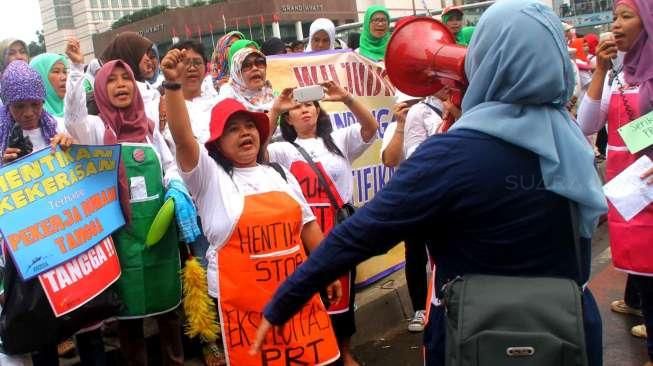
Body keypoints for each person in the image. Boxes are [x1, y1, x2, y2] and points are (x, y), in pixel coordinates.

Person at [252, 2, 608, 366]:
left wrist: (285, 299)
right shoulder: (571, 142)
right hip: (568, 334)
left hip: (477, 337)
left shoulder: (453, 153)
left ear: (486, 59)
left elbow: (365, 231)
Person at [160, 47, 341, 365]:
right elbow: (184, 138)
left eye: (249, 126)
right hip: (243, 313)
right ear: (217, 142)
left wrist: (329, 270)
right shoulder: (208, 178)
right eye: (233, 128)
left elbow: (308, 225)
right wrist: (173, 87)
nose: (244, 132)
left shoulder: (279, 173)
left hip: (296, 303)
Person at [65, 46, 190, 364]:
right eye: (113, 80)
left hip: (160, 236)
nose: (121, 84)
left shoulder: (149, 129)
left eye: (127, 78)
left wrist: (174, 185)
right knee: (130, 321)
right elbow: (73, 119)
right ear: (101, 88)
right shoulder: (95, 129)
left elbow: (169, 164)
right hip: (121, 239)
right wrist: (77, 70)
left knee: (170, 314)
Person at [267, 81, 378, 366]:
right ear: (287, 119)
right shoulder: (283, 150)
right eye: (296, 107)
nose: (304, 110)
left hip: (340, 232)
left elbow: (370, 128)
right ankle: (319, 351)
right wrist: (274, 108)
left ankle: (344, 350)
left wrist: (346, 98)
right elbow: (259, 152)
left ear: (318, 110)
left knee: (344, 294)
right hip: (304, 234)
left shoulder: (340, 140)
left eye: (309, 105)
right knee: (311, 294)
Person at [577, 0, 653, 363]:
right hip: (632, 196)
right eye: (613, 18)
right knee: (645, 275)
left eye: (626, 16)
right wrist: (600, 71)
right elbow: (587, 125)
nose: (616, 25)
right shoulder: (618, 76)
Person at [100, 31, 161, 130]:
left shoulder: (152, 93)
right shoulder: (112, 102)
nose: (148, 59)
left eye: (149, 54)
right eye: (140, 52)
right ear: (129, 55)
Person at [219, 46, 274, 113]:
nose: (255, 68)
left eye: (260, 63)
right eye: (246, 65)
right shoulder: (227, 98)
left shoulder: (270, 92)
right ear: (236, 73)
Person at [29, 53, 68, 122]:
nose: (64, 77)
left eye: (65, 72)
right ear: (40, 77)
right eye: (56, 71)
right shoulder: (33, 120)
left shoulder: (73, 107)